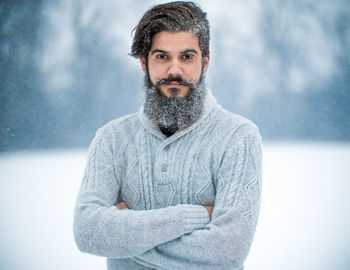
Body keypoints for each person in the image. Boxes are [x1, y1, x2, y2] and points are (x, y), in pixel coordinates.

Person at [73, 1, 262, 269]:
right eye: (162, 56)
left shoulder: (239, 137)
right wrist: (192, 218)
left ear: (205, 62)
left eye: (187, 56)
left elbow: (228, 250)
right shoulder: (112, 139)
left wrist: (126, 236)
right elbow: (88, 232)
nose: (175, 70)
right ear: (143, 62)